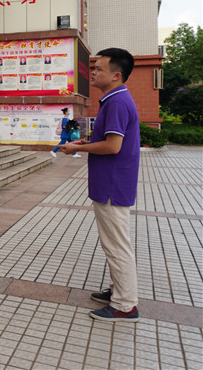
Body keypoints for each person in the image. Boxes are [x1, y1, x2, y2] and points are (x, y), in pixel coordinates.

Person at [60, 48, 140, 323]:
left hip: (112, 185)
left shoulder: (117, 102)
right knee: (115, 243)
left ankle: (125, 305)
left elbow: (113, 145)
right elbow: (107, 141)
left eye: (99, 69)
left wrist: (75, 149)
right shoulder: (115, 99)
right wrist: (86, 144)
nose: (92, 72)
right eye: (93, 68)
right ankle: (119, 291)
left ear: (116, 75)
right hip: (112, 182)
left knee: (117, 246)